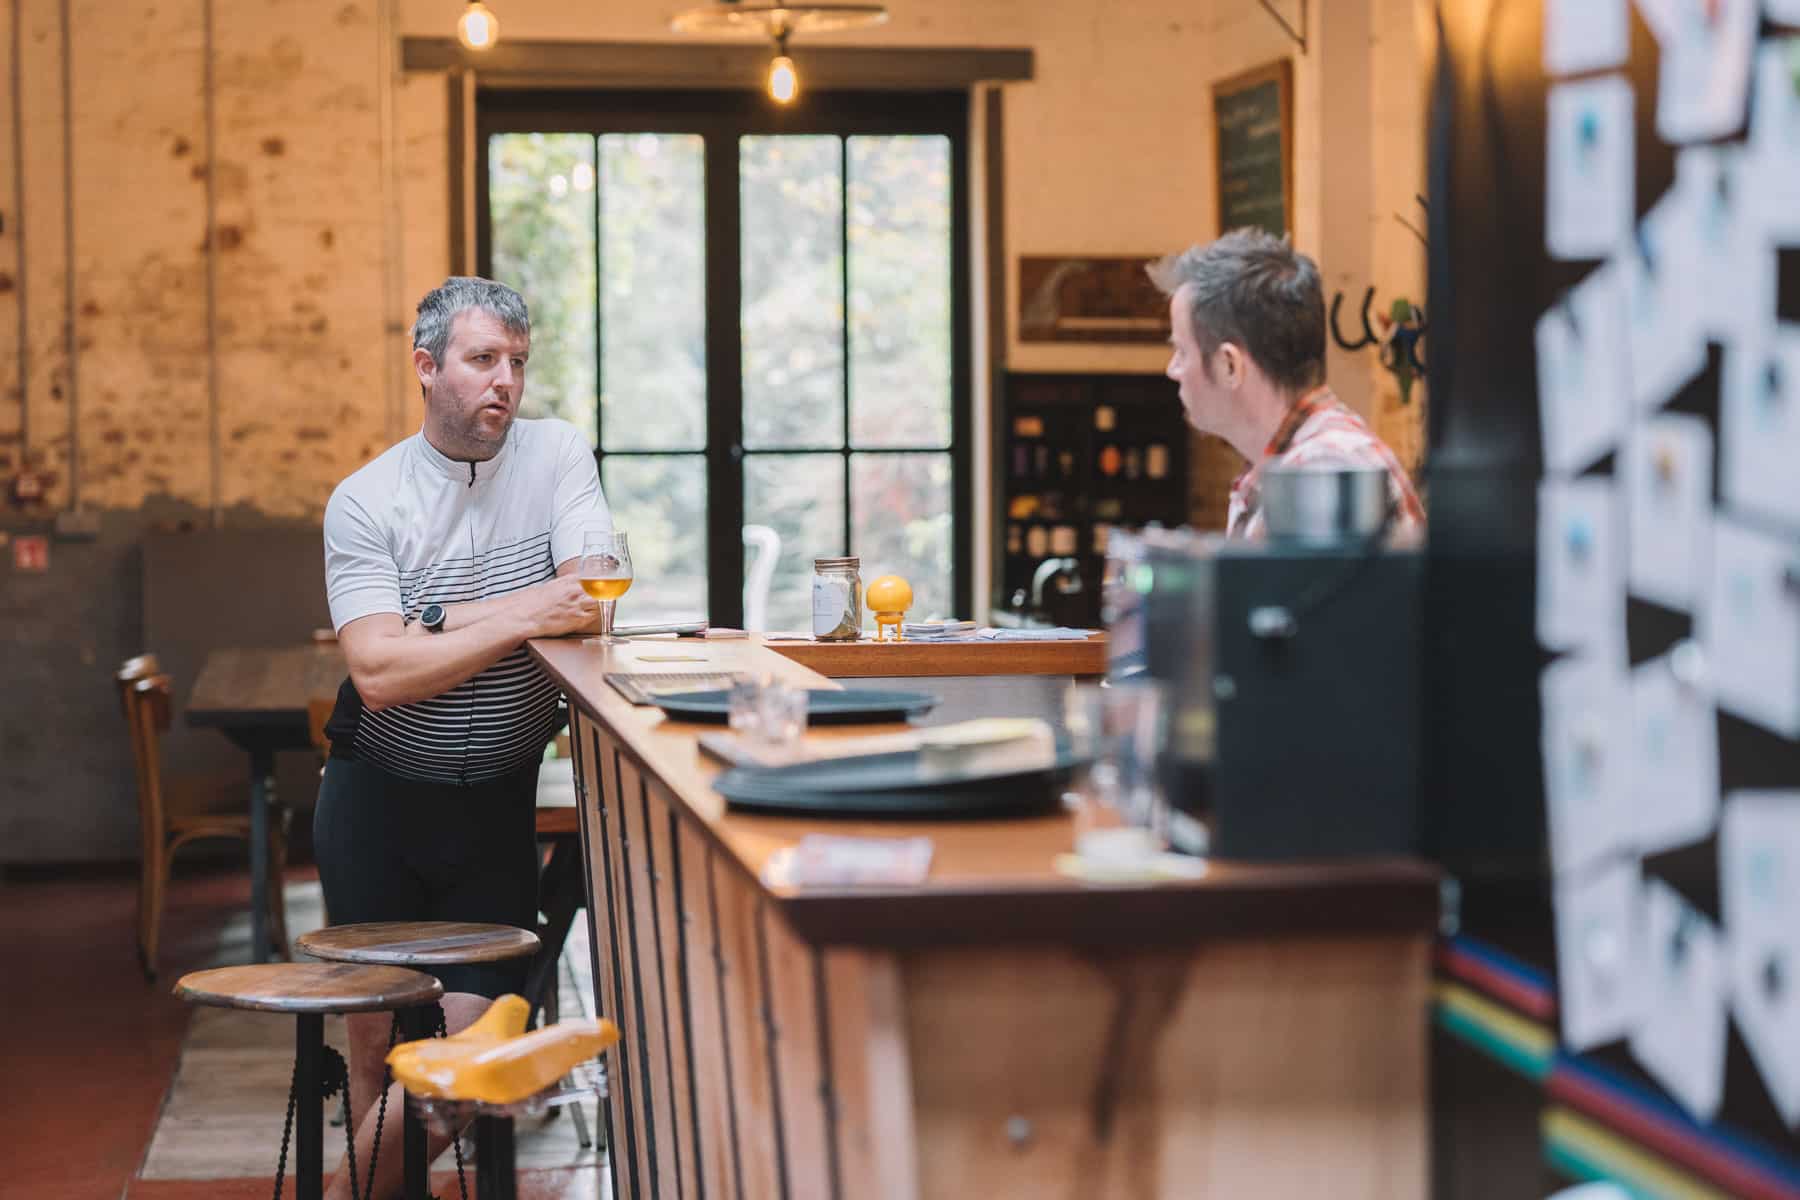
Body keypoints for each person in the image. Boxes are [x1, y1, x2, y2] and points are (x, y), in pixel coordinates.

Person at [316, 276, 608, 1199]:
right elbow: (379, 673)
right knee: (377, 1055)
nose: (505, 381)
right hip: (378, 802)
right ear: (426, 367)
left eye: (517, 362)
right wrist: (528, 609)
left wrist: (434, 623)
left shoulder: (558, 454)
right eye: (484, 360)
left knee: (470, 1060)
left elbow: (593, 601)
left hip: (495, 808)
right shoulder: (365, 502)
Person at [1148, 229, 1424, 539]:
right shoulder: (1287, 465)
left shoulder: (1323, 472)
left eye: (1182, 351)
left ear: (1229, 365)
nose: (1173, 370)